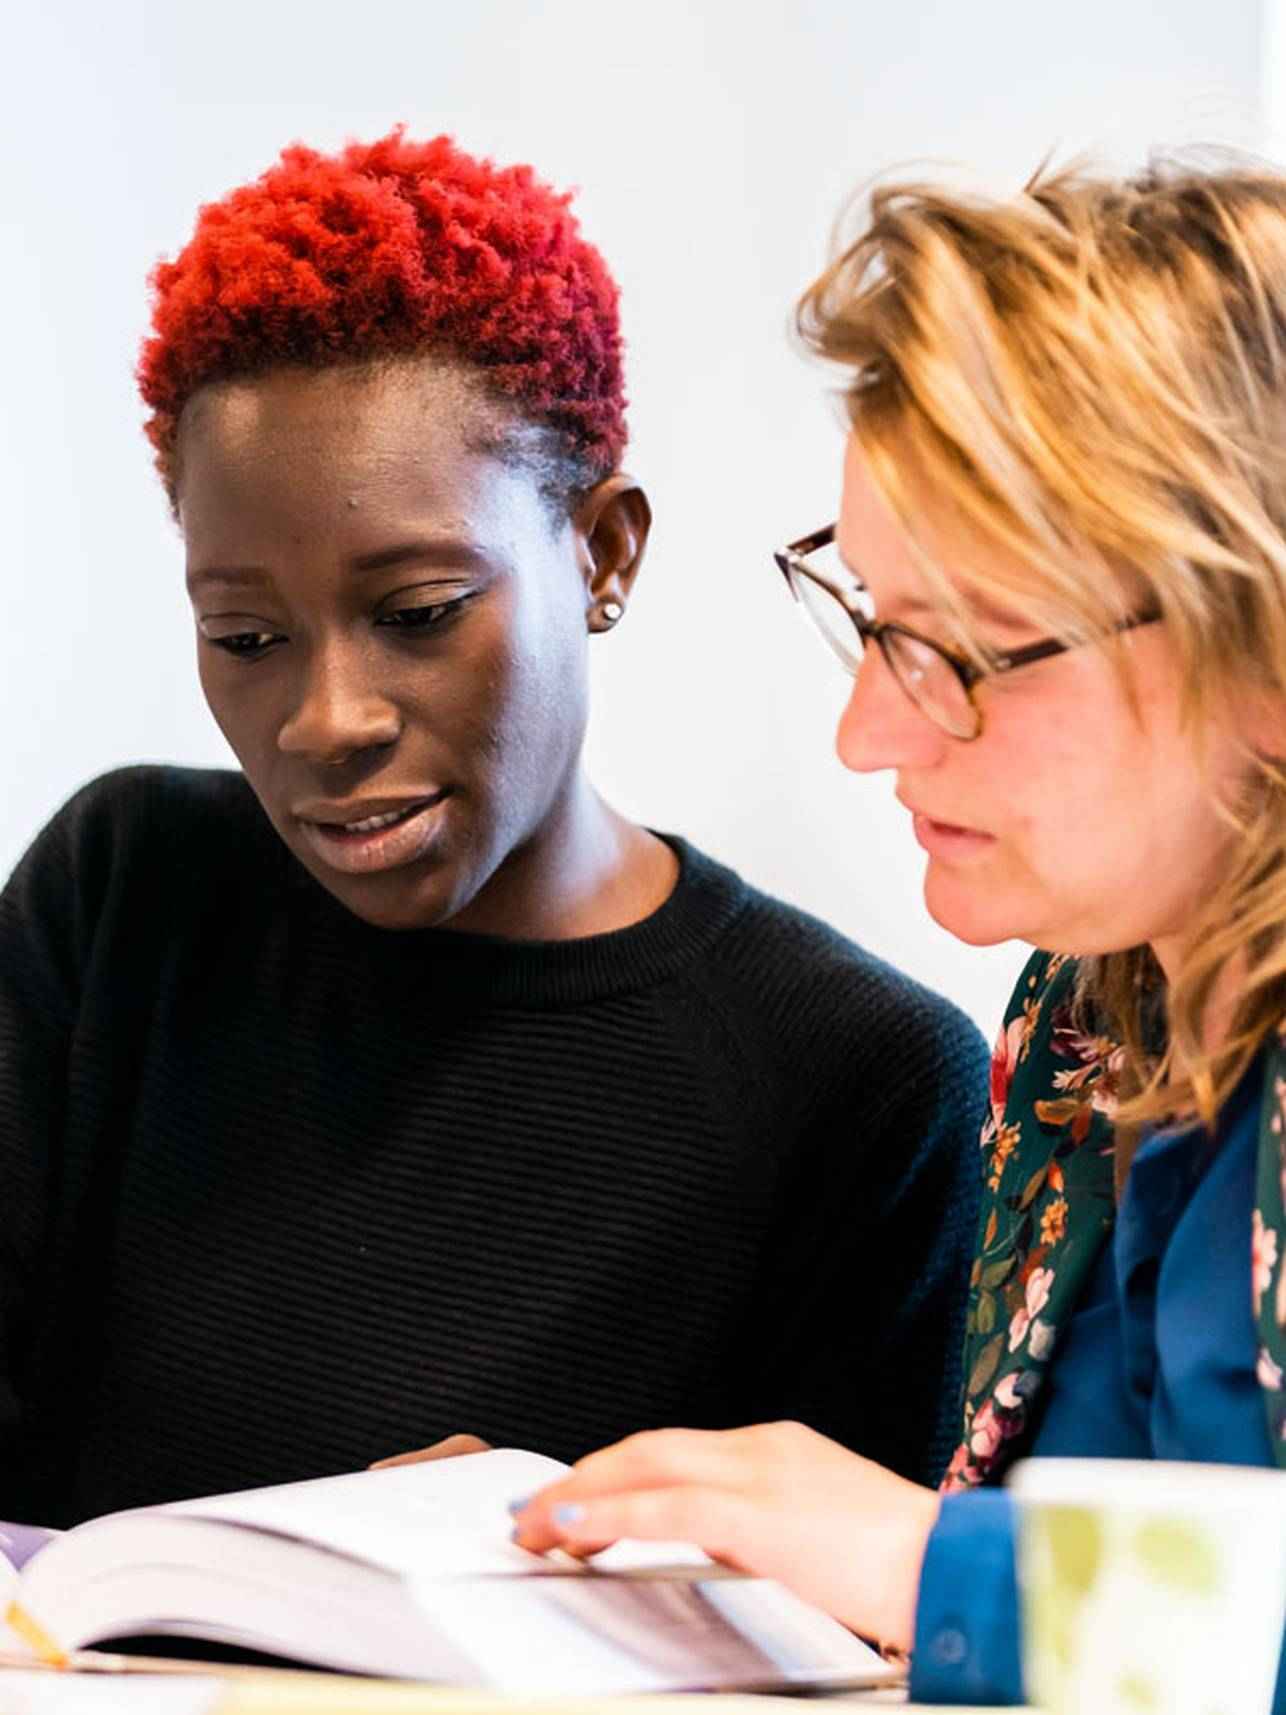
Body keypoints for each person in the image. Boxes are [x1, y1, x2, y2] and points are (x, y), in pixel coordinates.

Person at [0, 131, 987, 1530]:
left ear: (603, 553)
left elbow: (878, 1621)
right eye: (246, 635)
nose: (324, 718)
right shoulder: (126, 902)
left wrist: (573, 1577)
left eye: (417, 614)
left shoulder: (860, 1084)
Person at [512, 159, 1286, 1708]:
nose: (868, 733)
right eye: (868, 615)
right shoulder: (1081, 1016)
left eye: (955, 650)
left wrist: (929, 1567)